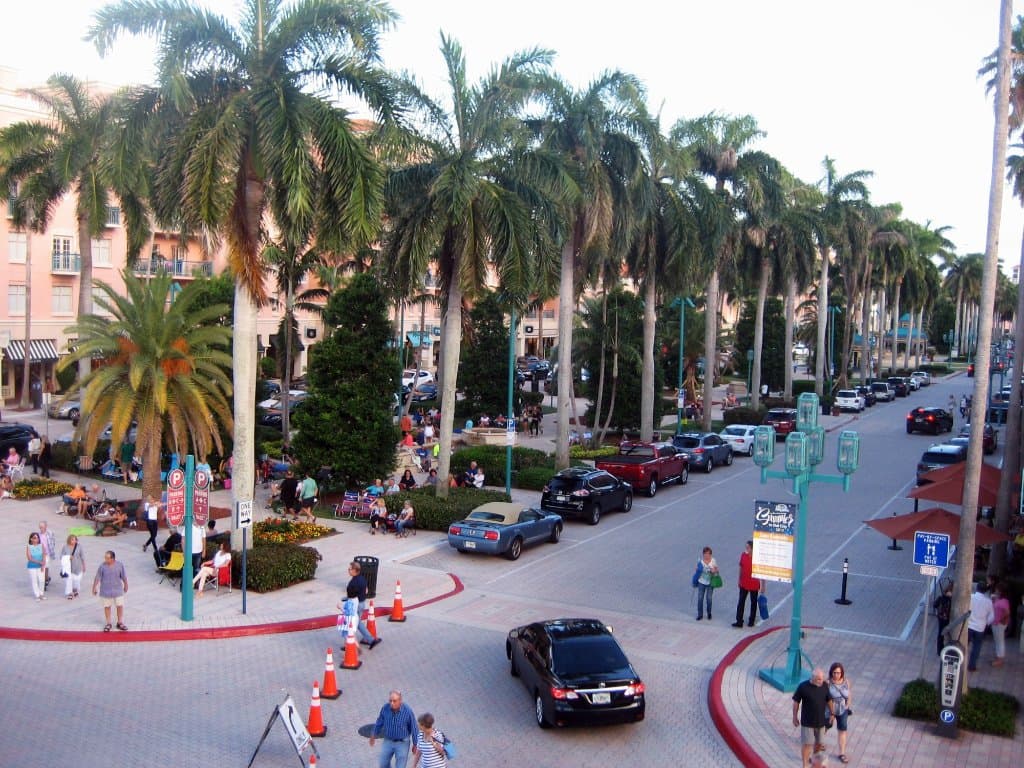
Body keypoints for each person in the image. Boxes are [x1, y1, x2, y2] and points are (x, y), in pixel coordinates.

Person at [792, 667, 830, 768]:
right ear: (812, 678)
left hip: (820, 722)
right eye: (818, 679)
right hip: (807, 722)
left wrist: (832, 713)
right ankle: (805, 765)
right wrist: (794, 717)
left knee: (819, 744)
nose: (821, 681)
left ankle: (814, 761)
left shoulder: (825, 685)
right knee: (807, 744)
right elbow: (796, 701)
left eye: (822, 678)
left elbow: (829, 699)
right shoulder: (803, 687)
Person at [370, 690, 417, 768]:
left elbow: (414, 727)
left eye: (394, 701)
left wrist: (415, 744)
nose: (392, 703)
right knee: (383, 764)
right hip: (388, 741)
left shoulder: (407, 711)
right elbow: (379, 721)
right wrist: (374, 734)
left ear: (400, 701)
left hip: (402, 743)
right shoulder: (385, 708)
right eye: (390, 701)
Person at [346, 561, 381, 648]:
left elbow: (351, 597)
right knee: (357, 623)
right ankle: (369, 639)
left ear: (354, 570)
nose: (348, 570)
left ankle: (351, 643)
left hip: (355, 605)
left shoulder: (352, 583)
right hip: (362, 603)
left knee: (352, 623)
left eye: (350, 569)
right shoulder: (363, 579)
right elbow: (366, 590)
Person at [92, 550, 128, 631]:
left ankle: (120, 622)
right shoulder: (102, 566)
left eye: (107, 558)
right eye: (105, 558)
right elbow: (97, 577)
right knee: (107, 606)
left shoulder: (119, 565)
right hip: (106, 590)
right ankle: (108, 623)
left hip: (118, 590)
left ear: (113, 559)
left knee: (120, 606)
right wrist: (94, 587)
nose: (105, 560)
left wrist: (126, 585)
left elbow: (124, 576)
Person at [826, 662, 853, 764]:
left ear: (842, 673)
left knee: (842, 730)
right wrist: (831, 712)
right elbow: (825, 697)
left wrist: (847, 705)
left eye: (838, 673)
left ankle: (842, 753)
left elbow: (849, 694)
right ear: (831, 672)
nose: (836, 675)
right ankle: (819, 744)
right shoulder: (828, 683)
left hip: (842, 709)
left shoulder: (846, 681)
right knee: (825, 727)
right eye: (834, 673)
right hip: (830, 709)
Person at [734, 540, 761, 628]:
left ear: (752, 549)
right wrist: (739, 579)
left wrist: (763, 585)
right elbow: (741, 567)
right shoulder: (743, 555)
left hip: (754, 583)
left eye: (748, 548)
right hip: (744, 582)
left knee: (753, 602)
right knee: (741, 601)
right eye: (746, 547)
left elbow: (762, 571)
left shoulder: (757, 558)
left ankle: (751, 621)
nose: (746, 549)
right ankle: (739, 621)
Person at [967, 583, 994, 671]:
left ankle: (960, 662)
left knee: (963, 644)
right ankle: (972, 665)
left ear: (977, 588)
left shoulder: (970, 597)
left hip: (969, 625)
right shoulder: (988, 602)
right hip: (980, 627)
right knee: (977, 647)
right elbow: (992, 616)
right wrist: (986, 623)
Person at [693, 546, 719, 621]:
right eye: (705, 554)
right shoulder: (700, 562)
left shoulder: (713, 561)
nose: (706, 555)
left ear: (710, 555)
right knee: (700, 598)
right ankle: (700, 614)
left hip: (710, 582)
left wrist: (714, 570)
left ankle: (709, 613)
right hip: (701, 582)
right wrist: (697, 570)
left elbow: (717, 570)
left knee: (709, 599)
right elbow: (697, 571)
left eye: (708, 554)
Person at [991, 582, 1011, 668]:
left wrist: (1002, 620)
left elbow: (1007, 613)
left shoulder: (1004, 601)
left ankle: (1000, 658)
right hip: (996, 622)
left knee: (1000, 641)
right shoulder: (999, 599)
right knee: (997, 640)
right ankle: (998, 657)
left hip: (999, 623)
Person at [61, 533, 86, 600]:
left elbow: (82, 556)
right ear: (69, 540)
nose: (74, 541)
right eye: (72, 540)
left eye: (75, 540)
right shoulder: (65, 547)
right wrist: (68, 557)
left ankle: (75, 589)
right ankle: (70, 593)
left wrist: (84, 565)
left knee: (77, 579)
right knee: (69, 580)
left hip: (78, 565)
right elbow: (61, 556)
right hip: (69, 567)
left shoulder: (79, 546)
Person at [933, 582, 953, 655]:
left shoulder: (941, 597)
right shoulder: (951, 599)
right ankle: (945, 649)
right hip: (947, 618)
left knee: (941, 634)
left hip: (941, 618)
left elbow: (935, 605)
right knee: (946, 634)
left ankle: (940, 650)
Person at [26, 532, 47, 600]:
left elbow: (44, 554)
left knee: (41, 580)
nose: (36, 539)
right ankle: (37, 595)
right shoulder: (29, 546)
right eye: (35, 538)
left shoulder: (41, 545)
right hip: (32, 566)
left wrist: (43, 563)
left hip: (40, 566)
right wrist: (39, 562)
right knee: (34, 581)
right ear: (31, 539)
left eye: (37, 538)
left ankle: (41, 594)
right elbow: (29, 558)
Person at [38, 520, 57, 590]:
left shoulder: (49, 533)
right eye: (40, 527)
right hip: (41, 554)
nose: (41, 529)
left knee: (45, 567)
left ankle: (45, 581)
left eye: (42, 527)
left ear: (46, 527)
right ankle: (45, 580)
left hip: (47, 554)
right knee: (42, 567)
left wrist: (51, 550)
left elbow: (53, 541)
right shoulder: (38, 535)